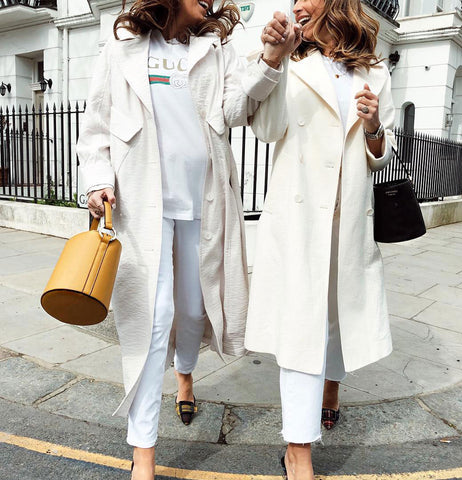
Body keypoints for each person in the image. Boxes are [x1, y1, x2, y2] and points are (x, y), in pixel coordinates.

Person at [76, 1, 298, 478]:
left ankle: (185, 375)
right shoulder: (123, 47)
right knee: (152, 321)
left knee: (196, 312)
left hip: (204, 204)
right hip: (143, 208)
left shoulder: (216, 49)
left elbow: (236, 111)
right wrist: (96, 181)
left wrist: (270, 60)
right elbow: (95, 126)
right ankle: (143, 453)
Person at [245, 0, 396, 478]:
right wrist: (272, 60)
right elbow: (266, 129)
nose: (297, 5)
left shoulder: (373, 69)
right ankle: (299, 450)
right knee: (301, 327)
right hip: (300, 216)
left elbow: (381, 153)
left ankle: (332, 387)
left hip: (347, 216)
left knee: (336, 318)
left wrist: (373, 127)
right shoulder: (290, 59)